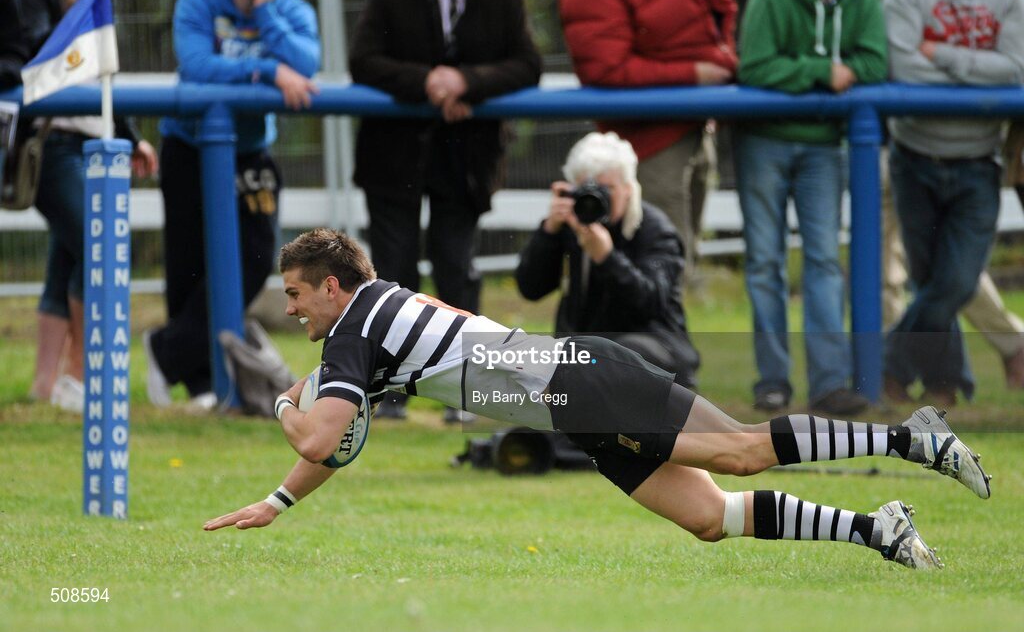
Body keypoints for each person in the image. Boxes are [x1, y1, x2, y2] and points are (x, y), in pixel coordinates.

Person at [204, 228, 992, 572]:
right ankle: (877, 528)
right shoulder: (368, 320)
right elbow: (333, 443)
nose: (294, 308)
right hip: (571, 401)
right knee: (710, 518)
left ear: (334, 285)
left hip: (579, 378)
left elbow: (317, 436)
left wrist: (278, 398)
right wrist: (278, 501)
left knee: (743, 451)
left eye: (299, 293)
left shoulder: (356, 326)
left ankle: (908, 437)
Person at [348, 0, 541, 419]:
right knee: (391, 270)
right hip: (393, 156)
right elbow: (364, 61)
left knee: (456, 266)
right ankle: (387, 391)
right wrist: (428, 82)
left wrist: (467, 82)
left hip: (466, 159)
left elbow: (528, 64)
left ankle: (467, 390)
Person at [146, 0, 319, 409]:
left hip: (250, 150)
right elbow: (198, 65)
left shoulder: (290, 8)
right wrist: (267, 69)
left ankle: (165, 351)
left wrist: (264, 12)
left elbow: (307, 63)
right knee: (188, 261)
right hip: (189, 143)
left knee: (259, 256)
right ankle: (201, 379)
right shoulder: (196, 1)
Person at [735, 0, 887, 415]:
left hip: (825, 145)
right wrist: (824, 72)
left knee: (823, 258)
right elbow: (756, 66)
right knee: (765, 260)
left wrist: (805, 74)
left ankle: (829, 384)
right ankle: (773, 381)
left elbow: (876, 64)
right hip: (764, 141)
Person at [14, 0, 158, 409]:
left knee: (68, 258)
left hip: (92, 139)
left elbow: (101, 75)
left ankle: (45, 387)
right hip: (54, 144)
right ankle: (79, 375)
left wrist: (132, 136)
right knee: (101, 243)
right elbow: (44, 64)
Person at [881, 0, 1024, 405]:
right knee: (929, 281)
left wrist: (941, 55)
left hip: (980, 158)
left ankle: (883, 366)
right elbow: (903, 67)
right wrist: (980, 73)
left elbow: (1016, 69)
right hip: (913, 154)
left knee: (957, 281)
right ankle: (945, 385)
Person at [559, 0, 738, 279]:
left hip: (694, 130)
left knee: (679, 263)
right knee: (657, 269)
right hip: (649, 145)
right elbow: (605, 68)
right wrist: (693, 73)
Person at [515, 132, 699, 389]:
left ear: (628, 188)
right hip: (587, 356)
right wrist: (549, 232)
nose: (594, 199)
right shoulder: (571, 224)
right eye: (585, 190)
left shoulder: (656, 231)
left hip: (656, 355)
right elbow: (530, 288)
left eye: (606, 188)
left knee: (613, 355)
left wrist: (607, 258)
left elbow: (651, 305)